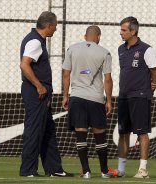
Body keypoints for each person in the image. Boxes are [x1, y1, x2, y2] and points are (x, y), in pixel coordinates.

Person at [19, 11, 73, 177]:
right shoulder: (35, 41)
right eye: (55, 27)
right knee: (34, 130)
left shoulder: (35, 39)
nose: (55, 30)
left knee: (48, 130)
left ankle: (54, 169)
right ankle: (28, 170)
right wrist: (38, 85)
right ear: (49, 25)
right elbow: (24, 65)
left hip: (40, 92)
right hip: (36, 92)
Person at [109, 16, 156, 179]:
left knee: (142, 133)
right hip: (123, 96)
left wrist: (152, 86)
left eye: (124, 30)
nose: (120, 33)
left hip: (140, 97)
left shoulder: (147, 49)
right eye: (121, 29)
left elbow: (155, 72)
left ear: (133, 31)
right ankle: (121, 170)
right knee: (123, 133)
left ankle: (143, 170)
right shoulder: (120, 49)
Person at [62, 25, 114, 179]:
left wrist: (66, 95)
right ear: (98, 37)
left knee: (81, 134)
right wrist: (109, 100)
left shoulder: (72, 49)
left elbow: (66, 74)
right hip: (96, 99)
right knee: (99, 135)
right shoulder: (104, 52)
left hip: (77, 97)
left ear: (85, 36)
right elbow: (108, 79)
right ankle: (104, 172)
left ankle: (86, 172)